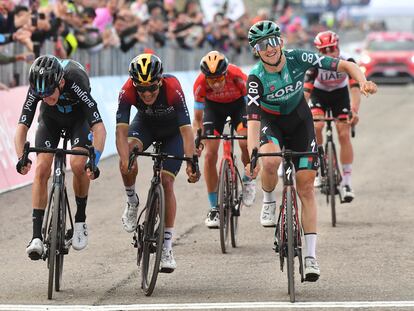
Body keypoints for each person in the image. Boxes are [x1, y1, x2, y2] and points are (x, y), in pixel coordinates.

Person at [245, 21, 377, 281]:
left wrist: (362, 81)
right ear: (256, 50)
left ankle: (311, 256)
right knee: (270, 162)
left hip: (299, 121)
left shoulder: (298, 57)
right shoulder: (255, 77)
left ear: (281, 41)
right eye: (262, 45)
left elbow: (346, 65)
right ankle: (269, 201)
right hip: (271, 123)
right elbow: (252, 122)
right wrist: (252, 156)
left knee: (305, 187)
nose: (269, 48)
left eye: (272, 41)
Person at [14, 55, 106, 260]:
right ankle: (36, 236)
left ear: (61, 82)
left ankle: (80, 221)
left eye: (49, 93)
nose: (45, 98)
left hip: (78, 121)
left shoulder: (76, 81)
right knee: (41, 168)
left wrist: (95, 159)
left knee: (78, 163)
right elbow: (22, 127)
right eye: (41, 95)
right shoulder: (39, 87)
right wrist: (21, 156)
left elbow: (99, 127)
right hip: (51, 121)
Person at [116, 53, 199, 273]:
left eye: (152, 88)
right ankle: (132, 201)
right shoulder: (126, 91)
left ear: (160, 81)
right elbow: (121, 132)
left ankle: (167, 247)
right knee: (128, 154)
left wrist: (192, 161)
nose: (147, 93)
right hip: (145, 126)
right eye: (141, 89)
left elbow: (186, 132)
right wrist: (126, 160)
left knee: (166, 182)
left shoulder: (173, 88)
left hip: (173, 133)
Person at [193, 50, 256, 228]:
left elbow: (252, 106)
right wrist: (198, 141)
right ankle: (214, 207)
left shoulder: (237, 76)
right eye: (211, 80)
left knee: (245, 142)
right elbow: (197, 120)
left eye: (219, 78)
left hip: (239, 108)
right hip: (214, 110)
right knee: (210, 154)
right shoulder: (200, 84)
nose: (216, 83)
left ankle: (248, 178)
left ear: (225, 73)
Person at [304, 31, 360, 202]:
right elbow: (306, 92)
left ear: (338, 47)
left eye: (332, 49)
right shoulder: (314, 65)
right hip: (319, 95)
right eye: (324, 51)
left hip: (339, 96)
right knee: (317, 126)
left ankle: (347, 183)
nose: (329, 54)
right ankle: (320, 164)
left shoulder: (348, 61)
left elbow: (355, 88)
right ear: (318, 52)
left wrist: (354, 111)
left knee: (343, 134)